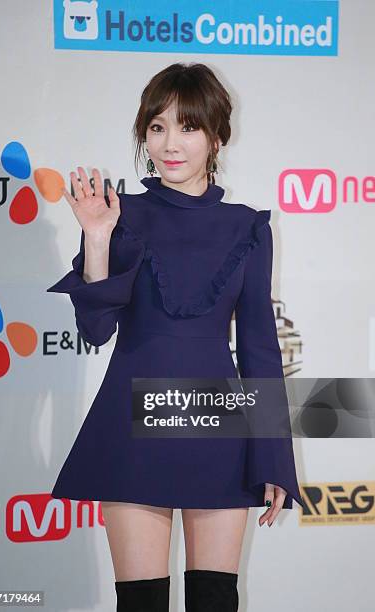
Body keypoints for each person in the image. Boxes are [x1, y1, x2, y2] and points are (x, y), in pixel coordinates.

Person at [46, 62, 303, 612]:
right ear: (143, 133)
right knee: (141, 604)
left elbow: (259, 347)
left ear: (216, 135)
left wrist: (274, 458)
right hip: (132, 420)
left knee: (214, 601)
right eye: (157, 127)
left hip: (216, 424)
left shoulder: (248, 227)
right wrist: (96, 238)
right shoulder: (118, 214)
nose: (170, 143)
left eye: (187, 127)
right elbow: (95, 329)